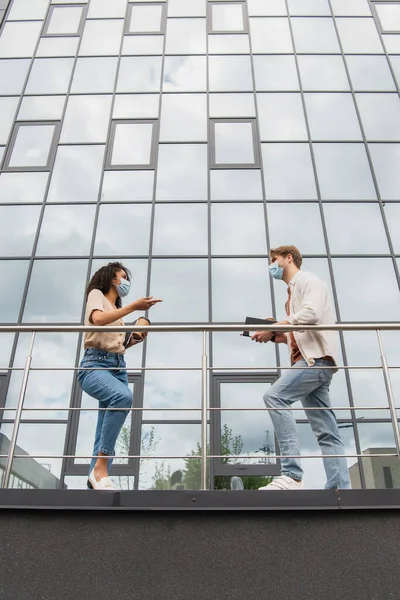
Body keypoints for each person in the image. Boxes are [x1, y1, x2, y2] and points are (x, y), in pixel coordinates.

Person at [252, 245, 350, 491]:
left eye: (273, 260)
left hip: (315, 362)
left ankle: (292, 474)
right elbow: (298, 334)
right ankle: (339, 487)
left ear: (288, 258)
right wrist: (276, 334)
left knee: (274, 396)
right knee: (326, 430)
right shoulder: (290, 295)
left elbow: (312, 314)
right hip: (310, 361)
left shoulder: (308, 280)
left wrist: (278, 324)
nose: (271, 266)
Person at [78, 262, 161, 491]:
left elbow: (119, 345)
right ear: (110, 278)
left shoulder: (118, 313)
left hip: (117, 366)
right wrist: (135, 307)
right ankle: (101, 468)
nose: (126, 281)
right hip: (94, 364)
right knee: (123, 398)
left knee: (103, 422)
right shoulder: (97, 295)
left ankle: (97, 477)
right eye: (122, 276)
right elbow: (98, 320)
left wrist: (136, 335)